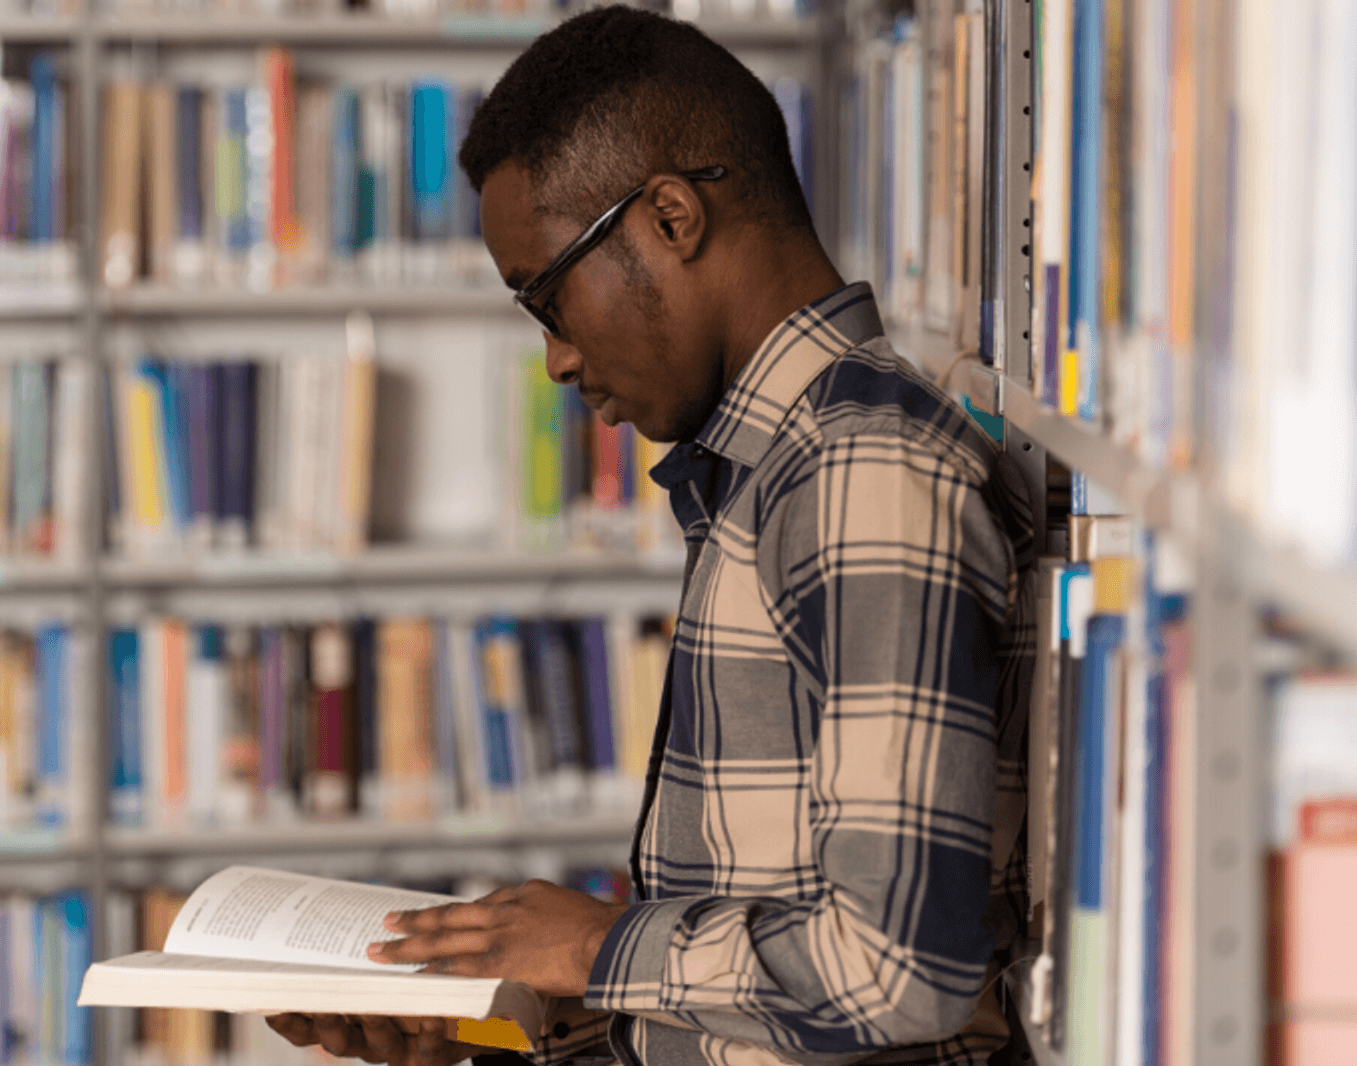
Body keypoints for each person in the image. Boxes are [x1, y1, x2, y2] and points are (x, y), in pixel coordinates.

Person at [269, 7, 1036, 1064]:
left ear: (670, 218)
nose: (556, 359)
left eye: (546, 297)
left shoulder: (860, 470)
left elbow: (894, 966)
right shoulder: (776, 470)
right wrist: (520, 1017)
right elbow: (784, 942)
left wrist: (595, 949)